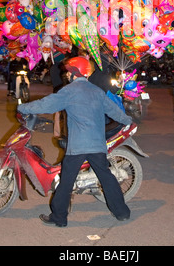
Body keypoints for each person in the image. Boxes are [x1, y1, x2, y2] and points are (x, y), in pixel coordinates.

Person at [18, 56, 132, 227]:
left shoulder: (69, 91)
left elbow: (46, 105)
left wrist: (23, 107)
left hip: (78, 146)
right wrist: (128, 120)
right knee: (106, 177)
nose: (67, 76)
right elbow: (115, 111)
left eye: (69, 72)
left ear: (74, 73)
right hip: (97, 145)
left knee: (66, 182)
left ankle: (59, 218)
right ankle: (122, 212)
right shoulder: (97, 91)